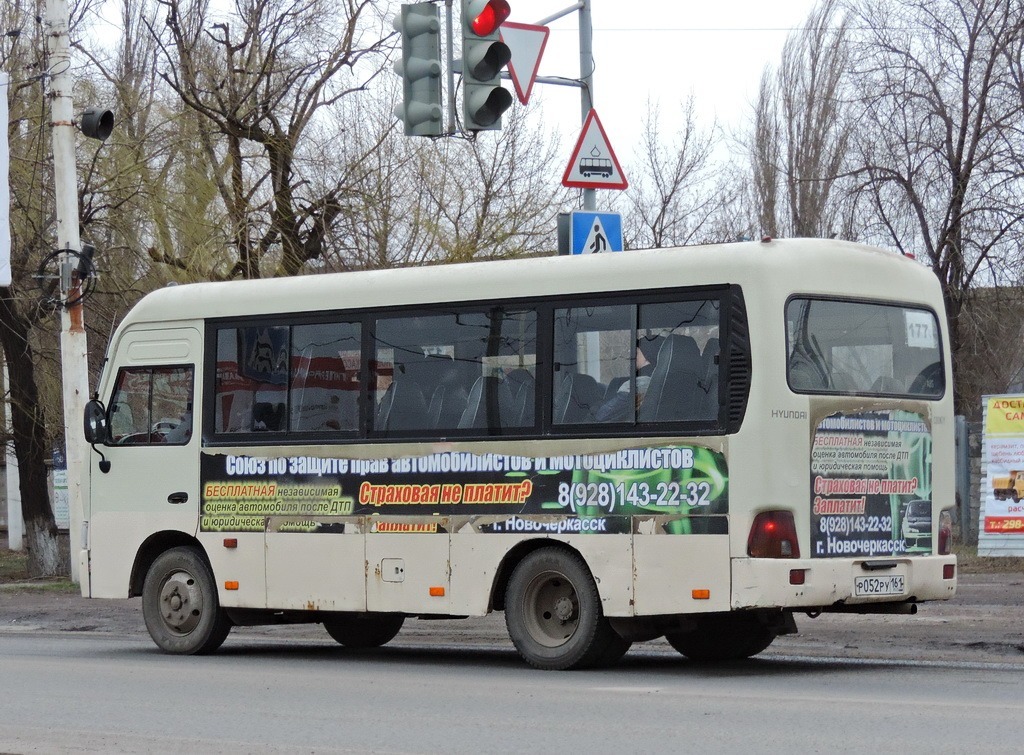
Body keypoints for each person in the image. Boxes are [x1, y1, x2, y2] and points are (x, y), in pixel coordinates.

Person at [595, 335, 661, 422]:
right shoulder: (661, 381)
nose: (631, 356)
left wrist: (594, 407)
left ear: (647, 355)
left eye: (636, 352)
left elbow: (602, 415)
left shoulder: (640, 383)